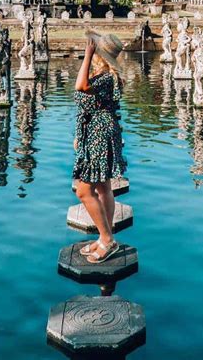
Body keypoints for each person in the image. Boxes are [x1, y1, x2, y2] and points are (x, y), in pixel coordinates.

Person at [73, 30, 126, 264]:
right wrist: (79, 134)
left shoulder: (106, 78)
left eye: (94, 49)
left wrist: (86, 55)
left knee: (84, 191)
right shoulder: (103, 75)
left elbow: (80, 86)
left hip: (99, 133)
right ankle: (106, 237)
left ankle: (106, 239)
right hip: (94, 130)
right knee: (104, 187)